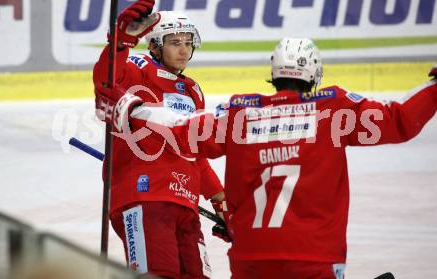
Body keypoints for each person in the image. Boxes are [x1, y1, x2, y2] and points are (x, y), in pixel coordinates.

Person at [129, 38, 437, 278]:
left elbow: (181, 132)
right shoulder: (334, 111)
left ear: (274, 73)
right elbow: (401, 121)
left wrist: (131, 110)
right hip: (313, 257)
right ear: (315, 74)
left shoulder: (241, 115)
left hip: (251, 258)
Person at [92, 0, 226, 278]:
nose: (183, 49)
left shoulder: (192, 90)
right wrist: (120, 42)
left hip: (184, 201)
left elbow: (195, 152)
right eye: (174, 42)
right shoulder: (139, 69)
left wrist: (221, 199)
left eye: (188, 42)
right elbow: (106, 81)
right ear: (154, 44)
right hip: (144, 195)